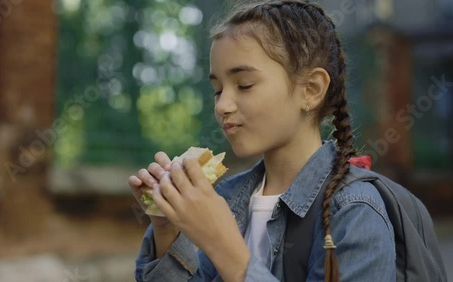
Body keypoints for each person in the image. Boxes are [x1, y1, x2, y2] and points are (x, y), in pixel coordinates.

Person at [129, 0, 395, 281]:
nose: (222, 106)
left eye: (244, 85)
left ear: (311, 90)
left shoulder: (355, 212)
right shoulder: (227, 198)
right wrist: (167, 229)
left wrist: (224, 246)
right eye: (218, 90)